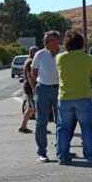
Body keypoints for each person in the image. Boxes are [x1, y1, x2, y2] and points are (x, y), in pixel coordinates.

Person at [56, 31, 92, 165]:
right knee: (87, 127)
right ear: (82, 44)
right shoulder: (88, 58)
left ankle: (63, 156)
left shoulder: (60, 58)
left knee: (63, 128)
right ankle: (90, 155)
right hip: (83, 96)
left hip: (65, 97)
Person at [31, 31, 61, 163]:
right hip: (43, 89)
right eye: (45, 41)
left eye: (49, 40)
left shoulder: (63, 54)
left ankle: (62, 149)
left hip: (60, 89)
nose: (46, 43)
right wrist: (36, 88)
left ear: (57, 41)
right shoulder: (40, 54)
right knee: (41, 122)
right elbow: (33, 72)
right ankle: (42, 152)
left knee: (62, 121)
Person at [18, 46, 39, 134]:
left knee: (31, 108)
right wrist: (34, 88)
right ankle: (41, 128)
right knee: (36, 108)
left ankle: (23, 127)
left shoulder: (28, 61)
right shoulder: (31, 62)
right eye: (36, 52)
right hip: (30, 88)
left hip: (28, 87)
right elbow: (30, 76)